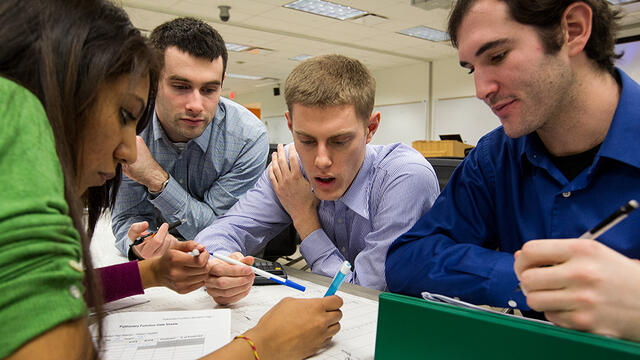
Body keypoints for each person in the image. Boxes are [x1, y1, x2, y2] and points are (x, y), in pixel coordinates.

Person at [0, 1, 342, 358]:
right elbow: (122, 226)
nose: (130, 154)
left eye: (209, 89)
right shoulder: (16, 130)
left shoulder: (246, 134)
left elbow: (58, 288)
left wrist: (151, 273)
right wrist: (262, 346)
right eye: (124, 114)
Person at [385, 0, 640, 342]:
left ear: (574, 30)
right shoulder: (495, 157)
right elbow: (408, 261)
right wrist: (526, 278)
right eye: (471, 68)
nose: (481, 90)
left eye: (497, 56)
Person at [193, 54, 439, 304]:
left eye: (340, 141)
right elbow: (220, 233)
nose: (321, 160)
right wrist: (220, 266)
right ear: (290, 126)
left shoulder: (404, 178)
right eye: (307, 140)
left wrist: (304, 218)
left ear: (370, 128)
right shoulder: (292, 169)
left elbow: (365, 293)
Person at [111, 17, 269, 260]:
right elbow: (127, 217)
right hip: (157, 271)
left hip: (227, 265)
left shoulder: (248, 138)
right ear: (152, 81)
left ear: (222, 83)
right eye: (181, 86)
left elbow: (221, 230)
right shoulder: (130, 126)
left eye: (209, 90)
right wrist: (141, 244)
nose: (196, 105)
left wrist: (156, 178)